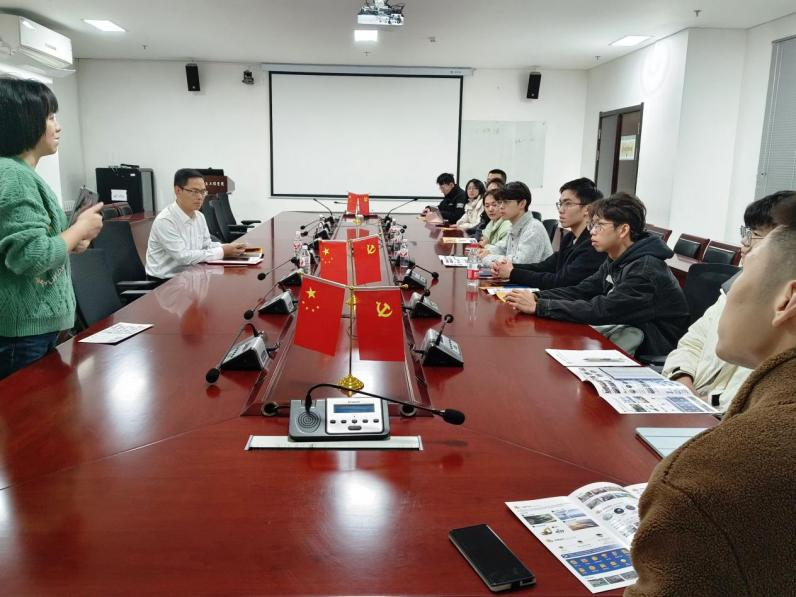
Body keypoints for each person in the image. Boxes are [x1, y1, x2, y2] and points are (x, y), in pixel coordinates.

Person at [625, 195, 796, 597]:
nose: (729, 291)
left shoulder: (712, 477)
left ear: (787, 301)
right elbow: (691, 341)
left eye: (744, 274)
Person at [0, 77, 104, 380]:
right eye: (49, 117)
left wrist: (75, 239)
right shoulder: (13, 176)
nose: (57, 127)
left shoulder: (22, 174)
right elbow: (31, 256)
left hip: (36, 329)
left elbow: (42, 245)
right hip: (21, 334)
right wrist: (79, 229)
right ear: (23, 121)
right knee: (31, 411)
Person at [505, 193, 688, 355]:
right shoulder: (617, 258)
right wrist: (537, 297)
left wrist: (541, 307)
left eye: (599, 225)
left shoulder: (645, 270)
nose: (592, 231)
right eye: (592, 225)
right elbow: (583, 290)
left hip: (652, 348)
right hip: (621, 332)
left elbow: (603, 309)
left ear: (623, 230)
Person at [662, 190, 795, 410]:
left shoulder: (783, 316)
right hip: (690, 399)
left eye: (755, 234)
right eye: (747, 232)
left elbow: (754, 390)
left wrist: (707, 402)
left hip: (722, 413)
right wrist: (682, 380)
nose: (744, 242)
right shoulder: (733, 289)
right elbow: (693, 341)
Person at [492, 177, 605, 290]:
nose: (561, 210)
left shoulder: (593, 244)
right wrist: (508, 267)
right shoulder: (570, 238)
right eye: (560, 204)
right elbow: (545, 266)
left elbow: (560, 281)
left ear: (587, 209)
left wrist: (512, 272)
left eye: (568, 204)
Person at [145, 169, 247, 280]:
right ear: (178, 190)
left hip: (192, 275)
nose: (200, 197)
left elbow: (206, 245)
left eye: (203, 191)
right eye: (194, 191)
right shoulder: (166, 221)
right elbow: (183, 257)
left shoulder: (199, 216)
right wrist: (223, 251)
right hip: (165, 282)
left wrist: (230, 247)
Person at [480, 181, 553, 267]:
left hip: (528, 275)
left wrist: (487, 258)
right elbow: (503, 248)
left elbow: (519, 263)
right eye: (500, 202)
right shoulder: (514, 225)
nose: (501, 206)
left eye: (506, 202)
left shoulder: (533, 229)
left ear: (522, 204)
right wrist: (487, 251)